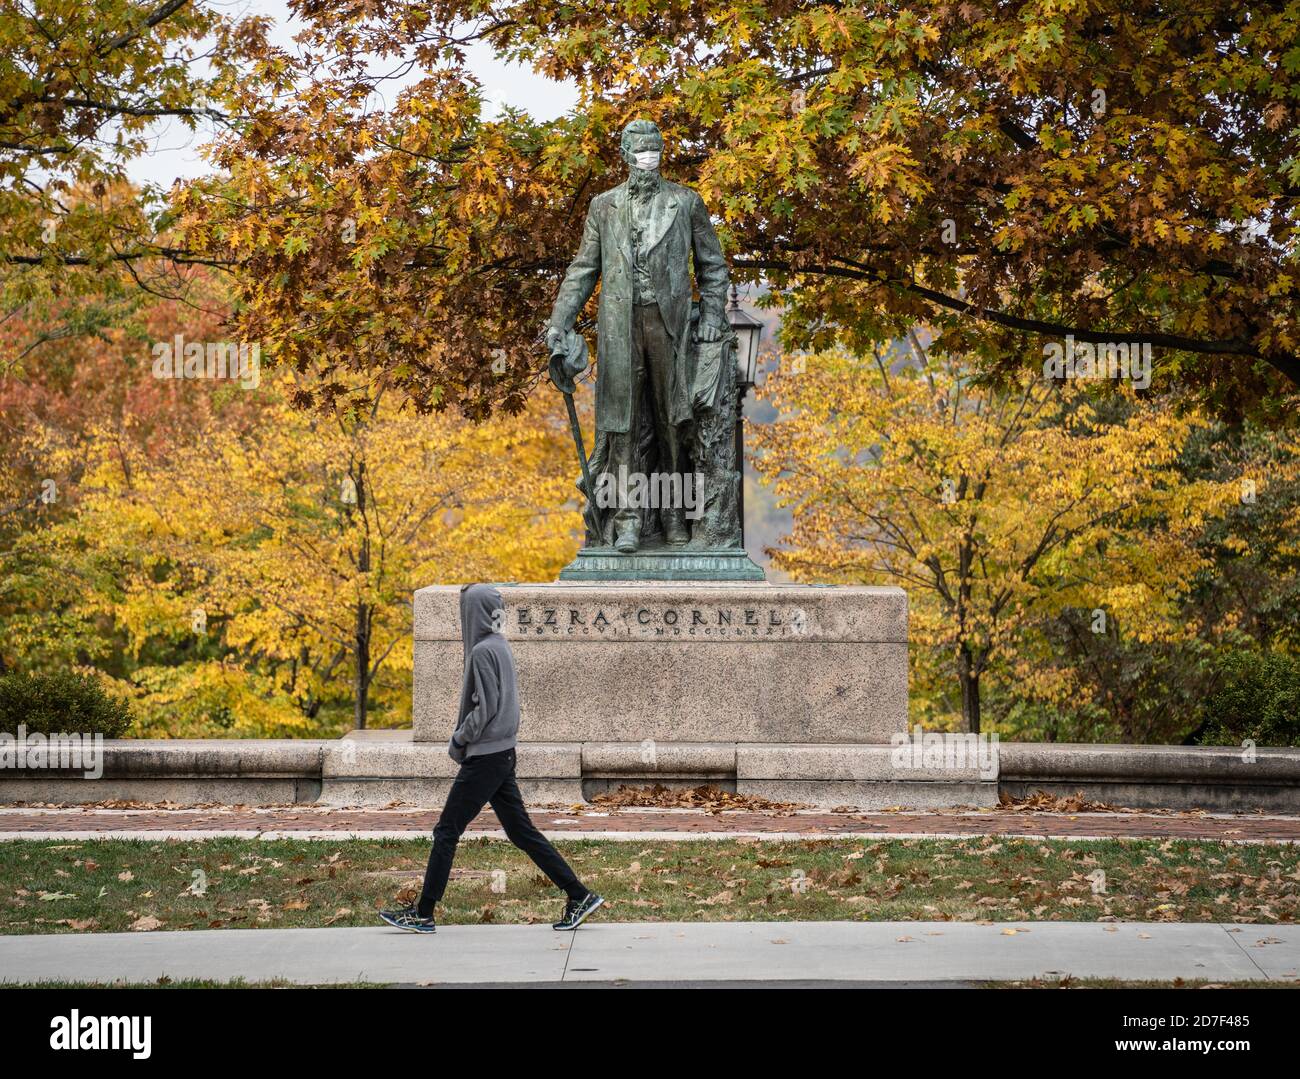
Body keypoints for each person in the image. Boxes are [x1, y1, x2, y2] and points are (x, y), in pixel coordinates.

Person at [380, 583, 603, 933]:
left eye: (464, 610)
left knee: (446, 831)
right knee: (521, 832)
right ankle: (579, 895)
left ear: (475, 613)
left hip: (485, 758)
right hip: (502, 754)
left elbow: (485, 709)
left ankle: (423, 913)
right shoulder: (500, 645)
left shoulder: (483, 651)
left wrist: (459, 739)